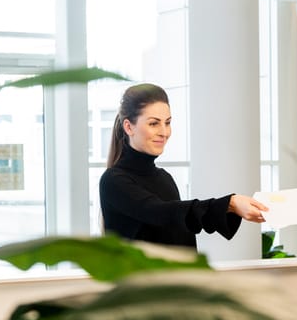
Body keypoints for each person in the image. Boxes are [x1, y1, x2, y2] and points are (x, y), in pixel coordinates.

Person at [99, 83, 267, 250]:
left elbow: (181, 231)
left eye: (167, 123)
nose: (164, 132)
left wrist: (230, 207)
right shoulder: (113, 180)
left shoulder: (164, 178)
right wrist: (229, 204)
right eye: (154, 123)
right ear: (129, 127)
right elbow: (160, 213)